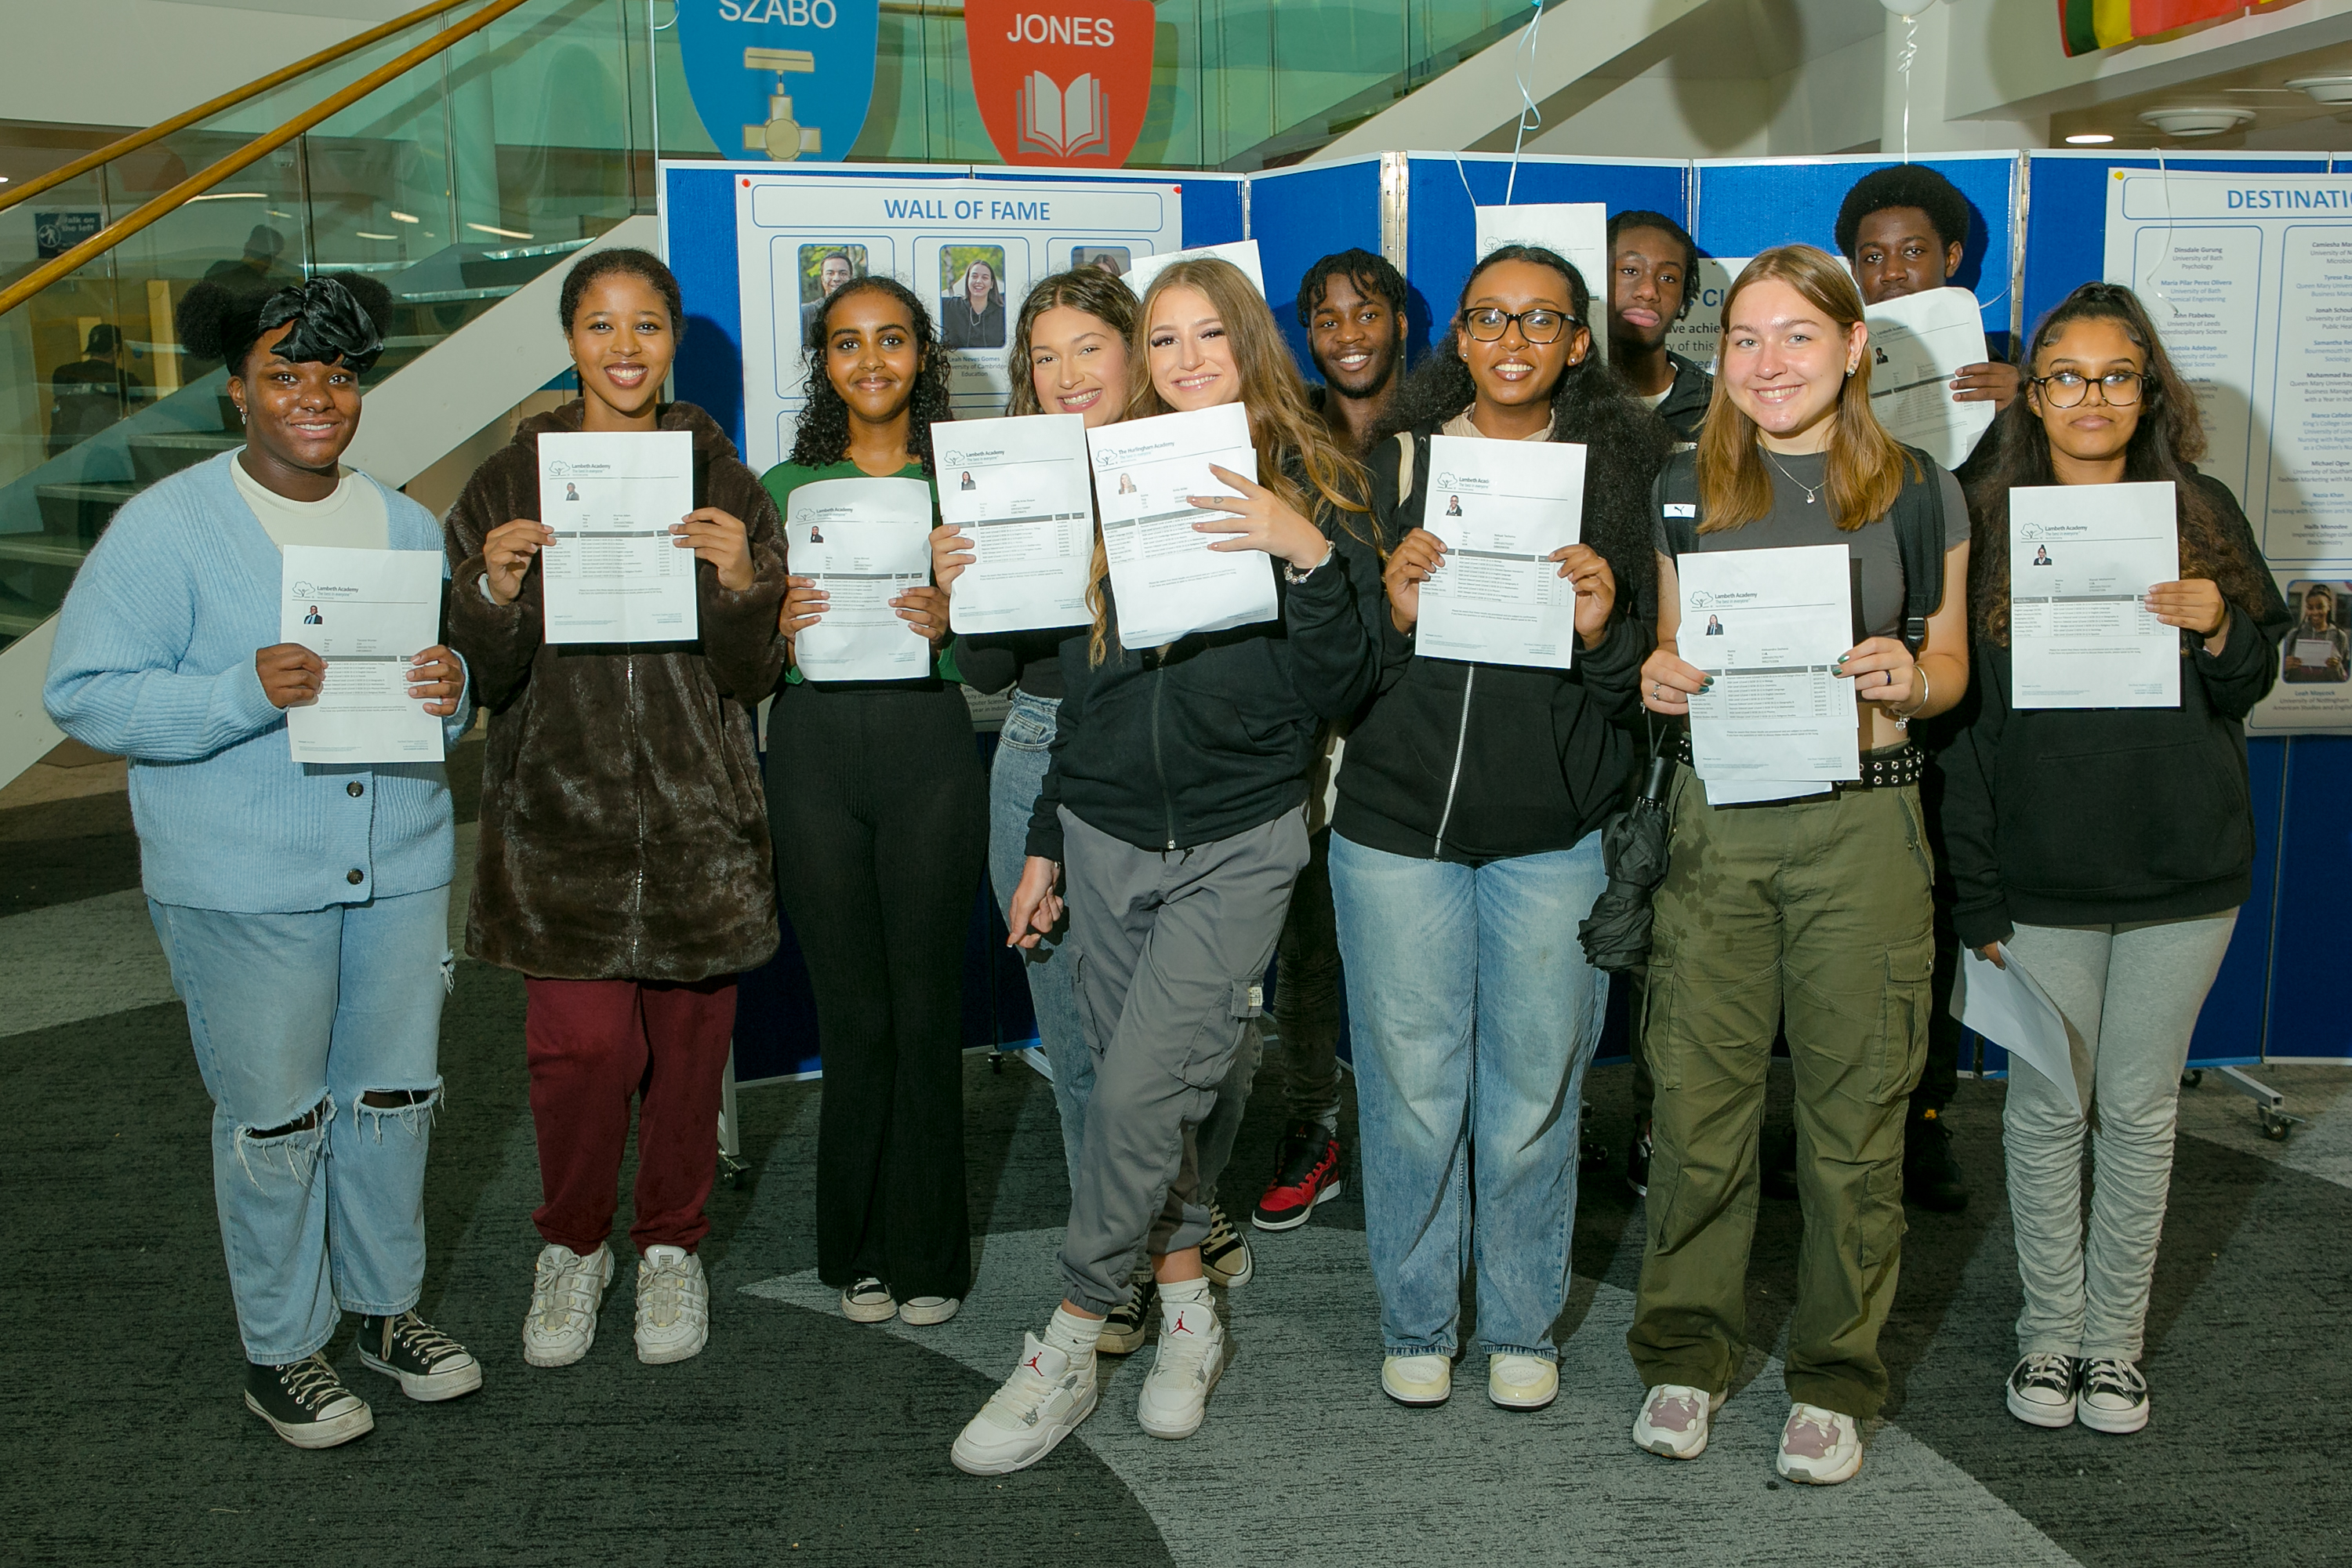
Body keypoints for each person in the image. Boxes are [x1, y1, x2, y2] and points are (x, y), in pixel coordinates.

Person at [950, 256, 1384, 1475]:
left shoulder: (1315, 485)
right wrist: (1045, 841)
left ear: (1249, 343)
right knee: (1134, 1096)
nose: (1189, 359)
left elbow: (1341, 688)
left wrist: (1301, 554)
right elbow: (1083, 688)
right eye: (1167, 340)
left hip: (1239, 841)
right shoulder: (1113, 479)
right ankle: (1187, 1310)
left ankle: (1071, 1336)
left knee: (1139, 1094)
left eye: (1211, 336)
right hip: (1100, 831)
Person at [45, 273, 480, 1450]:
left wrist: (453, 693)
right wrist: (239, 693)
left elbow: (428, 693)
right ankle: (282, 1350)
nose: (314, 397)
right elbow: (83, 693)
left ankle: (386, 1311)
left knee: (395, 1100)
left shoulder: (399, 521)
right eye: (286, 373)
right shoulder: (168, 527)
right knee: (275, 1120)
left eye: (336, 374)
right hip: (241, 878)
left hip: (394, 863)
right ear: (236, 389)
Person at [1629, 245, 1973, 1486]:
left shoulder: (1923, 489)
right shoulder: (1681, 486)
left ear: (1854, 348)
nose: (1769, 363)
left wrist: (1912, 680)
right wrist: (1659, 680)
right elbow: (1668, 655)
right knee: (1699, 1111)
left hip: (1866, 823)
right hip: (1723, 821)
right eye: (1746, 340)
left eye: (1797, 337)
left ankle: (1836, 1374)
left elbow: (1949, 673)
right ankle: (1684, 1351)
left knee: (1854, 1124)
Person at [1940, 281, 2289, 1438]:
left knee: (2138, 1112)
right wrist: (1976, 886)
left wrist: (2219, 625)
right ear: (2031, 396)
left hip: (2182, 874)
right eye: (2065, 378)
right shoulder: (1981, 516)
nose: (2091, 399)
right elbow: (1964, 736)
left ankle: (2113, 1348)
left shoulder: (2201, 509)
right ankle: (2049, 1337)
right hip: (2038, 880)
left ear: (2150, 393)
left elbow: (2250, 682)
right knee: (2046, 1112)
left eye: (2116, 376)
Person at [443, 248, 788, 1373]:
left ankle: (671, 1245)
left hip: (699, 824)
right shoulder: (507, 482)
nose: (625, 347)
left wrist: (745, 586)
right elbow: (479, 676)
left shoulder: (724, 483)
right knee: (580, 1052)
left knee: (692, 1058)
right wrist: (491, 593)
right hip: (561, 820)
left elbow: (754, 676)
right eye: (601, 325)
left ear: (673, 340)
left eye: (647, 325)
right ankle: (574, 1243)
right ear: (572, 340)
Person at [1340, 243, 1671, 1410]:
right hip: (1394, 832)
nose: (1514, 340)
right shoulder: (1393, 465)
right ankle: (1418, 1318)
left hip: (1552, 835)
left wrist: (1601, 628)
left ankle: (1522, 1323)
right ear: (1461, 339)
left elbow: (1634, 693)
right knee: (1413, 1092)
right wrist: (1389, 607)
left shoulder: (1619, 479)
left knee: (1534, 1094)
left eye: (1541, 321)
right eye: (1489, 317)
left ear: (1579, 343)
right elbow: (1335, 678)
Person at [936, 267, 1168, 1348]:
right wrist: (959, 587)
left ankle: (1178, 1229)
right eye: (1044, 356)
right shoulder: (1009, 474)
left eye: (1090, 348)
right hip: (1037, 747)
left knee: (1174, 1032)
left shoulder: (1184, 460)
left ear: (1134, 351)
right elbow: (988, 668)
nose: (1068, 373)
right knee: (1076, 1039)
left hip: (1166, 755)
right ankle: (1110, 1265)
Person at [764, 274, 986, 1330]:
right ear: (826, 364)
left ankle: (928, 1254)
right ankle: (855, 1250)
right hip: (811, 750)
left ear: (921, 356)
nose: (870, 361)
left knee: (927, 1005)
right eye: (847, 344)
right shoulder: (781, 484)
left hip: (928, 745)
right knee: (852, 1012)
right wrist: (770, 620)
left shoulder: (965, 482)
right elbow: (739, 651)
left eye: (891, 340)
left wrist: (958, 613)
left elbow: (1005, 646)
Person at [1242, 246, 1409, 1237]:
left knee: (1399, 957)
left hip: (1411, 723)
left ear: (1399, 319)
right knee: (1303, 952)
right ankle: (1313, 1125)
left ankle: (1408, 1134)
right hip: (1305, 726)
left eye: (1366, 311)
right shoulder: (1279, 433)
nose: (1347, 333)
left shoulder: (1442, 427)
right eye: (1325, 316)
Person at [1835, 164, 2020, 423]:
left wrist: (2028, 408)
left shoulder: (2005, 383)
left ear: (1951, 258)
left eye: (1913, 251)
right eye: (1873, 257)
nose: (1892, 272)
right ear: (1855, 271)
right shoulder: (1830, 372)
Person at [1607, 209, 1712, 443]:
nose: (1648, 291)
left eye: (1668, 278)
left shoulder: (1718, 407)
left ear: (1685, 297)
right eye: (1629, 270)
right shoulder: (1558, 397)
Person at [1298, 247, 1410, 456]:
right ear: (1310, 339)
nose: (1348, 336)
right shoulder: (1285, 440)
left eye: (1367, 316)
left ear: (1400, 325)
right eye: (1329, 323)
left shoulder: (1436, 437)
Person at [48, 322, 143, 455]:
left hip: (64, 452)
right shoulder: (124, 380)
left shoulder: (64, 374)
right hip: (103, 452)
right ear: (116, 348)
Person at [2284, 583, 2350, 681]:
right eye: (2310, 608)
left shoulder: (2340, 636)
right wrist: (2285, 666)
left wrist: (2337, 667)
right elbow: (2280, 674)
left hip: (2328, 695)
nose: (2315, 612)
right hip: (2297, 694)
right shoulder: (2293, 635)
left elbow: (2347, 677)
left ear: (2329, 606)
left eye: (2320, 607)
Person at [942, 256, 1007, 350]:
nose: (979, 281)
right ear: (967, 280)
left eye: (985, 277)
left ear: (992, 284)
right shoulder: (950, 307)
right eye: (974, 276)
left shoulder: (1003, 312)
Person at [801, 249, 857, 346]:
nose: (836, 278)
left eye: (843, 273)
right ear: (822, 278)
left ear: (851, 278)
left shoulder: (861, 313)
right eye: (830, 273)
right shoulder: (805, 314)